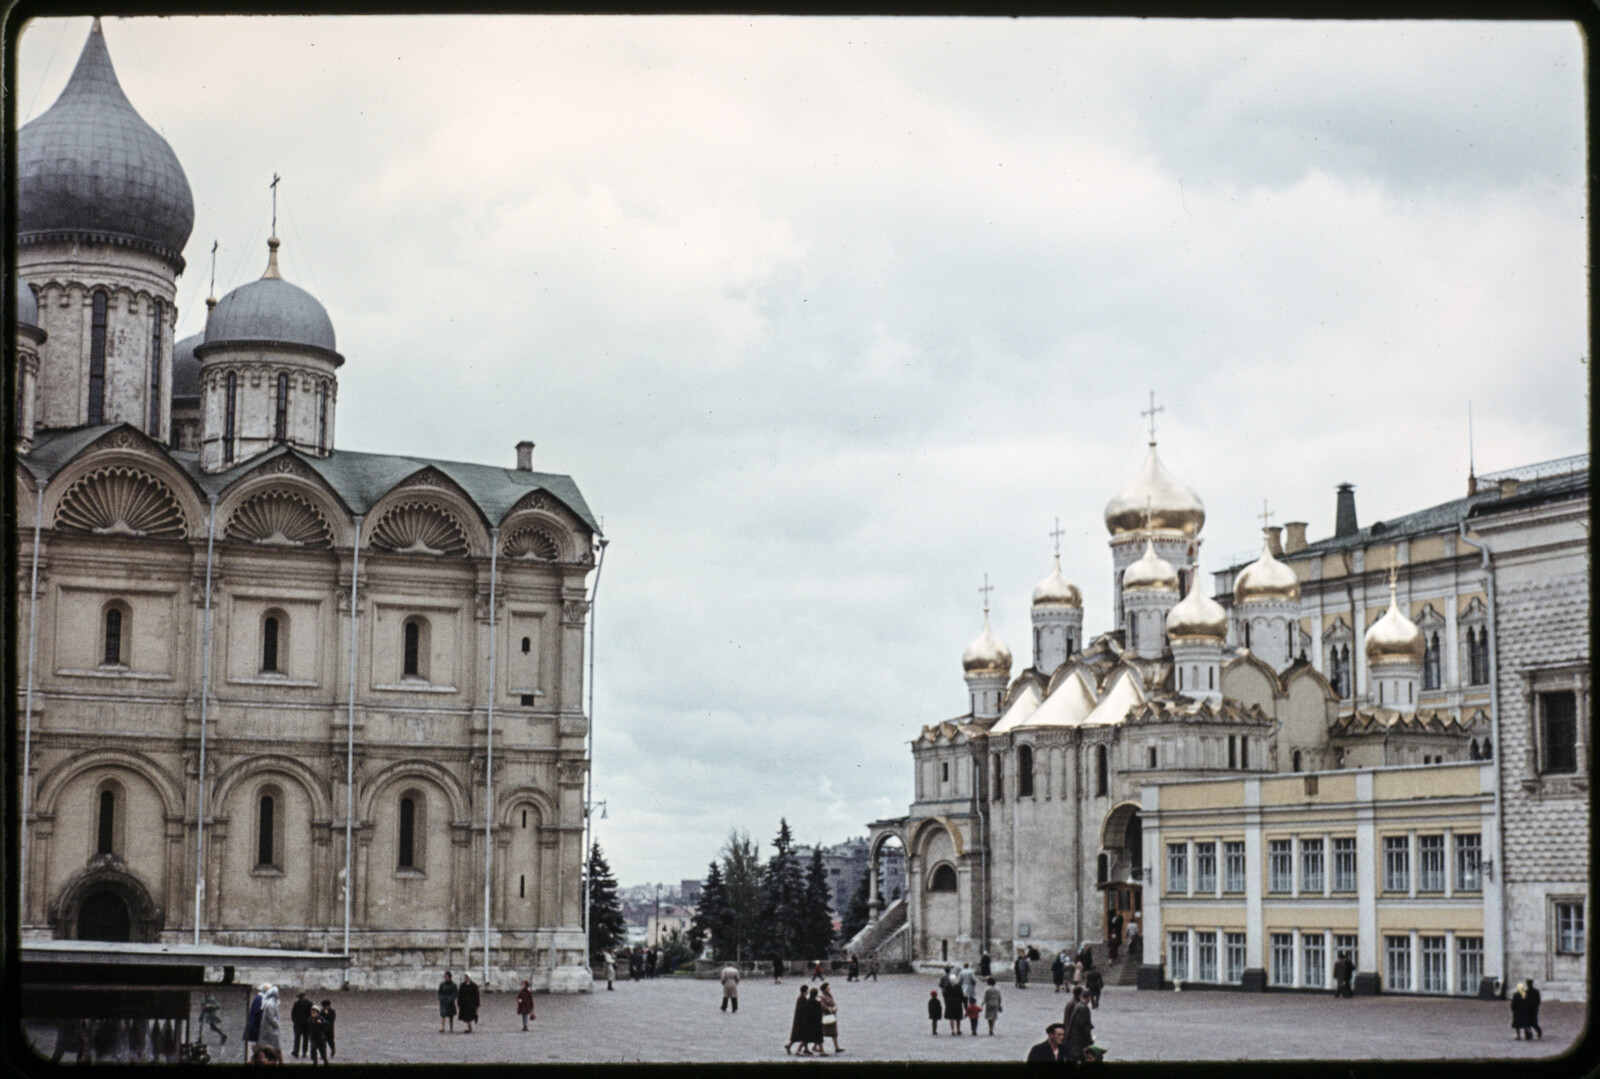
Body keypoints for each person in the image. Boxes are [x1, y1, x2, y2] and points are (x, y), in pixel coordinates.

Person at [1063, 987, 1094, 1062]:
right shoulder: (1082, 1007)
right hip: (1078, 1040)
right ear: (1089, 997)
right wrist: (1089, 1039)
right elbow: (1083, 1025)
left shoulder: (1078, 1005)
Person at [258, 986, 282, 1057]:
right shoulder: (271, 1003)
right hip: (270, 1029)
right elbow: (271, 1017)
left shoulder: (273, 1002)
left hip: (270, 1029)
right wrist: (277, 1024)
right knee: (276, 1048)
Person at [819, 982, 843, 1053]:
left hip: (832, 1016)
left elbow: (833, 1003)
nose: (829, 988)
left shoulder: (830, 995)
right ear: (824, 989)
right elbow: (823, 1006)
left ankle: (837, 1047)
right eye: (827, 987)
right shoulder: (822, 997)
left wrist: (835, 1007)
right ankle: (817, 1045)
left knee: (834, 1032)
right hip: (826, 1016)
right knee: (823, 1031)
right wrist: (831, 1009)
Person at [786, 985, 810, 1054]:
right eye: (807, 990)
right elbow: (804, 1008)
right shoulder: (802, 998)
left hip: (799, 1018)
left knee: (800, 1035)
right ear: (805, 991)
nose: (808, 991)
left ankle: (806, 1048)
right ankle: (791, 1046)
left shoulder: (802, 997)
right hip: (801, 1019)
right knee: (803, 1034)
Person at [804, 986, 828, 1055]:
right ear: (816, 994)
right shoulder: (817, 1002)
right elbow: (819, 1012)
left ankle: (805, 1048)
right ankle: (822, 1051)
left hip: (808, 1021)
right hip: (816, 1022)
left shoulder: (807, 1001)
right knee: (819, 1037)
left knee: (807, 1037)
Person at [942, 966, 966, 1035]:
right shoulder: (958, 986)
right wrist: (963, 1001)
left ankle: (952, 1030)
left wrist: (946, 1000)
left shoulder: (948, 986)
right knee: (958, 1017)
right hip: (957, 1002)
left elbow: (944, 993)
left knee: (951, 1017)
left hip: (950, 1002)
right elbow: (961, 994)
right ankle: (958, 1029)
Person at [243, 985, 265, 1061]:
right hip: (256, 1028)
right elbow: (258, 1013)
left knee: (258, 1048)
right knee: (258, 1048)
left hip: (255, 1027)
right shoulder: (260, 999)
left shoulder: (259, 998)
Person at [290, 992, 312, 1058]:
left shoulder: (309, 1004)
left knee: (305, 1039)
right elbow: (293, 1013)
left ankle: (304, 1052)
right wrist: (295, 1021)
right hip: (298, 1024)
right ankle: (296, 1051)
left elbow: (311, 1014)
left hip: (306, 1024)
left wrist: (309, 1022)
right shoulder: (296, 1004)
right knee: (297, 1038)